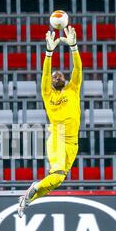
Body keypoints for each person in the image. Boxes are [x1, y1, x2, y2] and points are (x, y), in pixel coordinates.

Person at [18, 26, 82, 217]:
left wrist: (74, 47)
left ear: (65, 78)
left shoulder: (73, 88)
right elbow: (46, 74)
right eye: (54, 76)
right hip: (57, 136)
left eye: (59, 75)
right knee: (58, 172)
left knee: (57, 179)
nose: (56, 76)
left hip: (72, 141)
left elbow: (77, 68)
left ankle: (28, 199)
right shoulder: (47, 93)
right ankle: (34, 188)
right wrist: (49, 53)